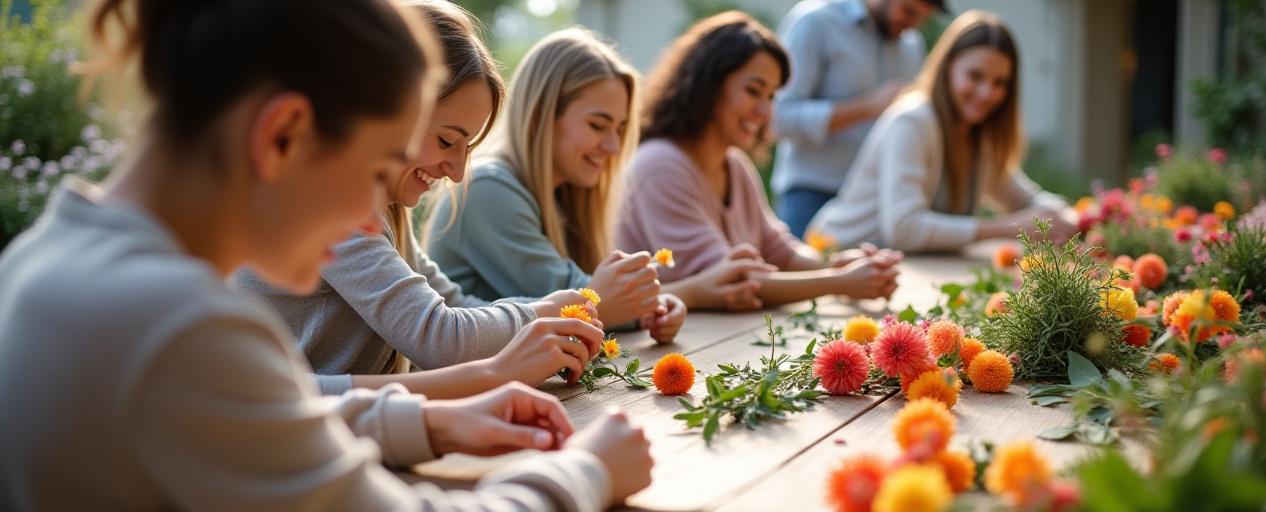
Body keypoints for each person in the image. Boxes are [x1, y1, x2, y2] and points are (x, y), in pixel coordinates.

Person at [0, 0, 651, 509]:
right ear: (283, 135)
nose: (372, 218)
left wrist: (429, 422)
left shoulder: (47, 257)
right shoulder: (182, 323)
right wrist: (586, 472)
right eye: (375, 167)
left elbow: (256, 415)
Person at [235, 0, 600, 399]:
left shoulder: (386, 213)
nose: (458, 172)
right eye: (447, 141)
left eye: (467, 147)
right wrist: (545, 313)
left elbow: (453, 303)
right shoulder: (326, 200)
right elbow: (441, 339)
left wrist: (550, 314)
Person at [426, 28, 710, 337]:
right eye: (597, 125)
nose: (613, 147)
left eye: (620, 129)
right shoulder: (486, 188)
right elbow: (582, 298)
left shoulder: (563, 195)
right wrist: (691, 292)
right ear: (539, 116)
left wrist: (656, 306)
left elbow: (601, 300)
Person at [615, 11, 901, 307]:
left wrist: (839, 267)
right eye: (753, 91)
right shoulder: (660, 165)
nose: (765, 112)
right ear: (707, 84)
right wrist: (840, 282)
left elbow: (781, 252)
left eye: (772, 97)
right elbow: (727, 280)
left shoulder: (734, 163)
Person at [810, 11, 1076, 252]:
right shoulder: (912, 121)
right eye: (975, 76)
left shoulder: (977, 134)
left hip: (898, 272)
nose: (987, 93)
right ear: (948, 66)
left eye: (1000, 83)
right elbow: (903, 228)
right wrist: (1008, 228)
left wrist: (1067, 215)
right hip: (837, 259)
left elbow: (1024, 198)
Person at [772, 0, 946, 237]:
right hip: (811, 195)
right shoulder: (816, 22)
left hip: (875, 205)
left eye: (921, 19)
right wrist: (867, 107)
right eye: (908, 11)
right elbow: (779, 118)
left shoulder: (911, 44)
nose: (911, 24)